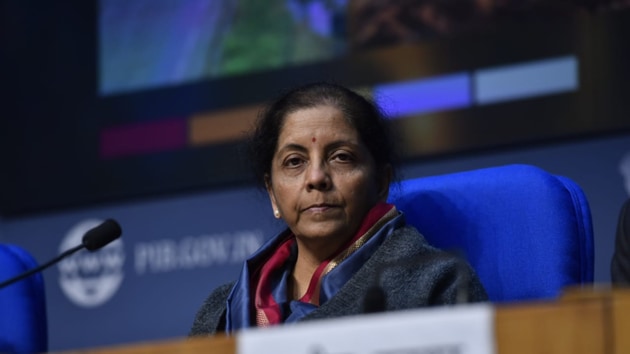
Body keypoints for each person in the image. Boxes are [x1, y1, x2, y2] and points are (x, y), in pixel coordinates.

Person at [189, 82, 488, 336]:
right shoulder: (221, 312)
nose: (317, 177)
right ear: (272, 193)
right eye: (295, 161)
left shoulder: (436, 285)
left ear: (381, 182)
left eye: (341, 157)